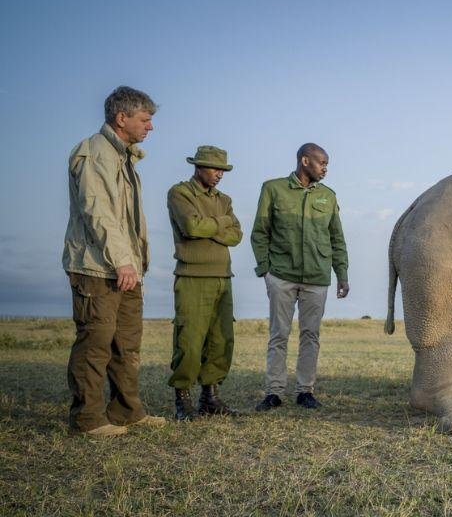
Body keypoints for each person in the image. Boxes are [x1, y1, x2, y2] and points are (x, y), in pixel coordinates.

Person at [62, 86, 167, 436]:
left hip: (126, 269)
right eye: (145, 119)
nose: (150, 127)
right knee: (96, 343)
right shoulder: (94, 153)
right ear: (122, 118)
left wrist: (134, 264)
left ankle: (126, 411)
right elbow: (98, 211)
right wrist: (123, 261)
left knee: (126, 345)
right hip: (97, 267)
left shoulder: (124, 156)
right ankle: (88, 419)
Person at [251, 143, 349, 411]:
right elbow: (260, 232)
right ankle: (274, 392)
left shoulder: (328, 196)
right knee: (278, 334)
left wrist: (342, 274)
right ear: (305, 161)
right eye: (322, 163)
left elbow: (337, 239)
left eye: (327, 164)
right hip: (281, 276)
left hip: (317, 278)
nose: (325, 169)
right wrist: (265, 270)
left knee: (311, 335)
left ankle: (305, 390)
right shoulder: (273, 189)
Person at [166, 146, 243, 420]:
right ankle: (182, 401)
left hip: (223, 276)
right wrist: (221, 223)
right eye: (214, 168)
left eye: (222, 170)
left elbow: (237, 235)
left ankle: (210, 398)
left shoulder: (225, 199)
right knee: (189, 340)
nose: (219, 174)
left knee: (222, 340)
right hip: (192, 276)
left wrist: (210, 227)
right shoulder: (181, 193)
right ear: (198, 167)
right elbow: (191, 228)